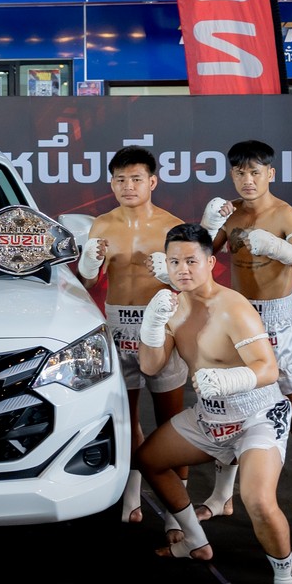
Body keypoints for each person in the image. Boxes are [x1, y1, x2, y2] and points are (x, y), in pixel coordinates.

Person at [134, 224, 292, 584]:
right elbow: (151, 367)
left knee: (258, 500)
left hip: (257, 413)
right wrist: (152, 327)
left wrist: (229, 379)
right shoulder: (171, 306)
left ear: (211, 262)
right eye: (174, 262)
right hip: (210, 416)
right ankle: (195, 540)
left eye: (191, 261)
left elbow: (268, 369)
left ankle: (285, 579)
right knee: (149, 460)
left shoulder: (234, 307)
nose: (183, 269)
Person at [203, 140, 292, 549]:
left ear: (270, 174)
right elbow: (201, 256)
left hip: (279, 324)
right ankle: (222, 496)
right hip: (239, 321)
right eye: (240, 172)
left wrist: (281, 248)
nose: (247, 179)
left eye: (255, 171)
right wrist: (207, 225)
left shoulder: (285, 214)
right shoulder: (231, 213)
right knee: (231, 411)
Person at [71, 146, 189, 533]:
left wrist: (171, 277)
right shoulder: (102, 224)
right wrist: (88, 264)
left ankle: (178, 511)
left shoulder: (173, 226)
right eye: (120, 179)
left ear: (152, 181)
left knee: (172, 420)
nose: (128, 186)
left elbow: (193, 284)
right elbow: (89, 283)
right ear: (111, 183)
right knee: (126, 416)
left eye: (136, 179)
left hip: (162, 325)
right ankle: (132, 494)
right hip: (117, 323)